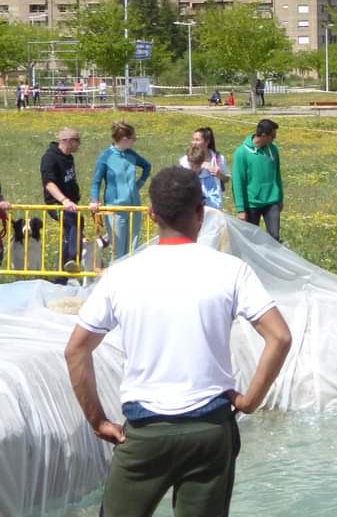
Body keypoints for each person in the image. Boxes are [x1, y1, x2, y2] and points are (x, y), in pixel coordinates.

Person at [64, 166, 292, 516]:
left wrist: (98, 421)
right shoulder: (231, 271)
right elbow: (279, 337)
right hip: (210, 429)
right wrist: (249, 401)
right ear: (200, 213)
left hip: (145, 431)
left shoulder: (121, 276)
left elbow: (76, 350)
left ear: (151, 213)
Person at [88, 122, 152, 261]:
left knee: (133, 249)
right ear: (124, 139)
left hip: (134, 207)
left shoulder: (131, 154)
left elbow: (147, 166)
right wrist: (95, 200)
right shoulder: (105, 156)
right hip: (115, 208)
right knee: (117, 251)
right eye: (133, 138)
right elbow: (96, 182)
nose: (134, 141)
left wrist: (138, 184)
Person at [41, 127, 83, 276]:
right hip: (56, 204)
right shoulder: (49, 158)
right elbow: (49, 183)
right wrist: (64, 200)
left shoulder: (69, 157)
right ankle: (70, 260)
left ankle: (63, 272)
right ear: (68, 141)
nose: (80, 144)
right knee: (71, 222)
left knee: (77, 225)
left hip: (71, 204)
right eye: (77, 140)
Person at [233, 119, 284, 241]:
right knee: (251, 240)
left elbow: (277, 174)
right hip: (252, 204)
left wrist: (280, 197)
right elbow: (237, 182)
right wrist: (240, 209)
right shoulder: (241, 153)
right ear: (264, 135)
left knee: (274, 237)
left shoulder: (273, 150)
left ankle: (271, 259)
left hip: (272, 201)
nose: (274, 139)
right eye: (273, 136)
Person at [181, 127, 229, 195]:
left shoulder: (218, 158)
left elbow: (226, 179)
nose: (194, 142)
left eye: (197, 140)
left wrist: (219, 174)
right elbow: (182, 182)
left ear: (207, 142)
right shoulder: (185, 160)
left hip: (214, 202)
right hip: (193, 201)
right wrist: (197, 169)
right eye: (193, 139)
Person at [184, 143, 224, 210]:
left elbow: (216, 201)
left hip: (205, 213)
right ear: (188, 161)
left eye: (196, 167)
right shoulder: (183, 174)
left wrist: (204, 202)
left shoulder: (209, 176)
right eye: (191, 166)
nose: (193, 169)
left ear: (202, 163)